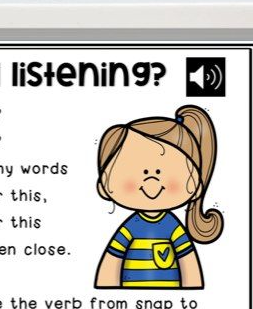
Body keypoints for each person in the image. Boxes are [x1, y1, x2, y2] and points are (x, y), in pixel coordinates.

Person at [94, 106, 223, 289]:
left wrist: (191, 295)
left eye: (164, 171)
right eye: (136, 169)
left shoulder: (173, 227)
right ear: (105, 182)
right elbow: (113, 260)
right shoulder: (131, 227)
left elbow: (188, 264)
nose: (151, 180)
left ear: (194, 183)